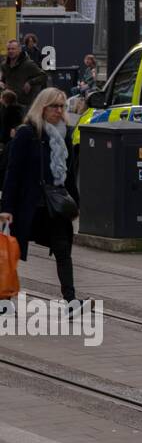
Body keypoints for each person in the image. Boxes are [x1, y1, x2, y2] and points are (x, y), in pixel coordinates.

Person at [0, 88, 81, 308]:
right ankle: (5, 299)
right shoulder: (27, 133)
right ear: (42, 107)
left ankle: (71, 301)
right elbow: (13, 172)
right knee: (13, 251)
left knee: (63, 250)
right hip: (28, 204)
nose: (59, 111)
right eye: (54, 106)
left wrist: (75, 204)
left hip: (55, 206)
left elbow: (70, 175)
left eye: (62, 106)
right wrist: (6, 208)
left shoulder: (65, 133)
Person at [0, 39, 48, 108]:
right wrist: (1, 83)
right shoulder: (4, 65)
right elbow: (3, 80)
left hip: (24, 105)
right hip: (8, 105)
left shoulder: (28, 64)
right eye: (8, 49)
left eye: (13, 49)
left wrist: (30, 82)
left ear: (19, 50)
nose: (10, 51)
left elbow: (44, 76)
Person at [0, 89, 23, 187]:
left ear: (6, 99)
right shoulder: (11, 109)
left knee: (4, 162)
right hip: (7, 140)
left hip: (8, 140)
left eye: (1, 97)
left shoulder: (11, 110)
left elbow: (9, 126)